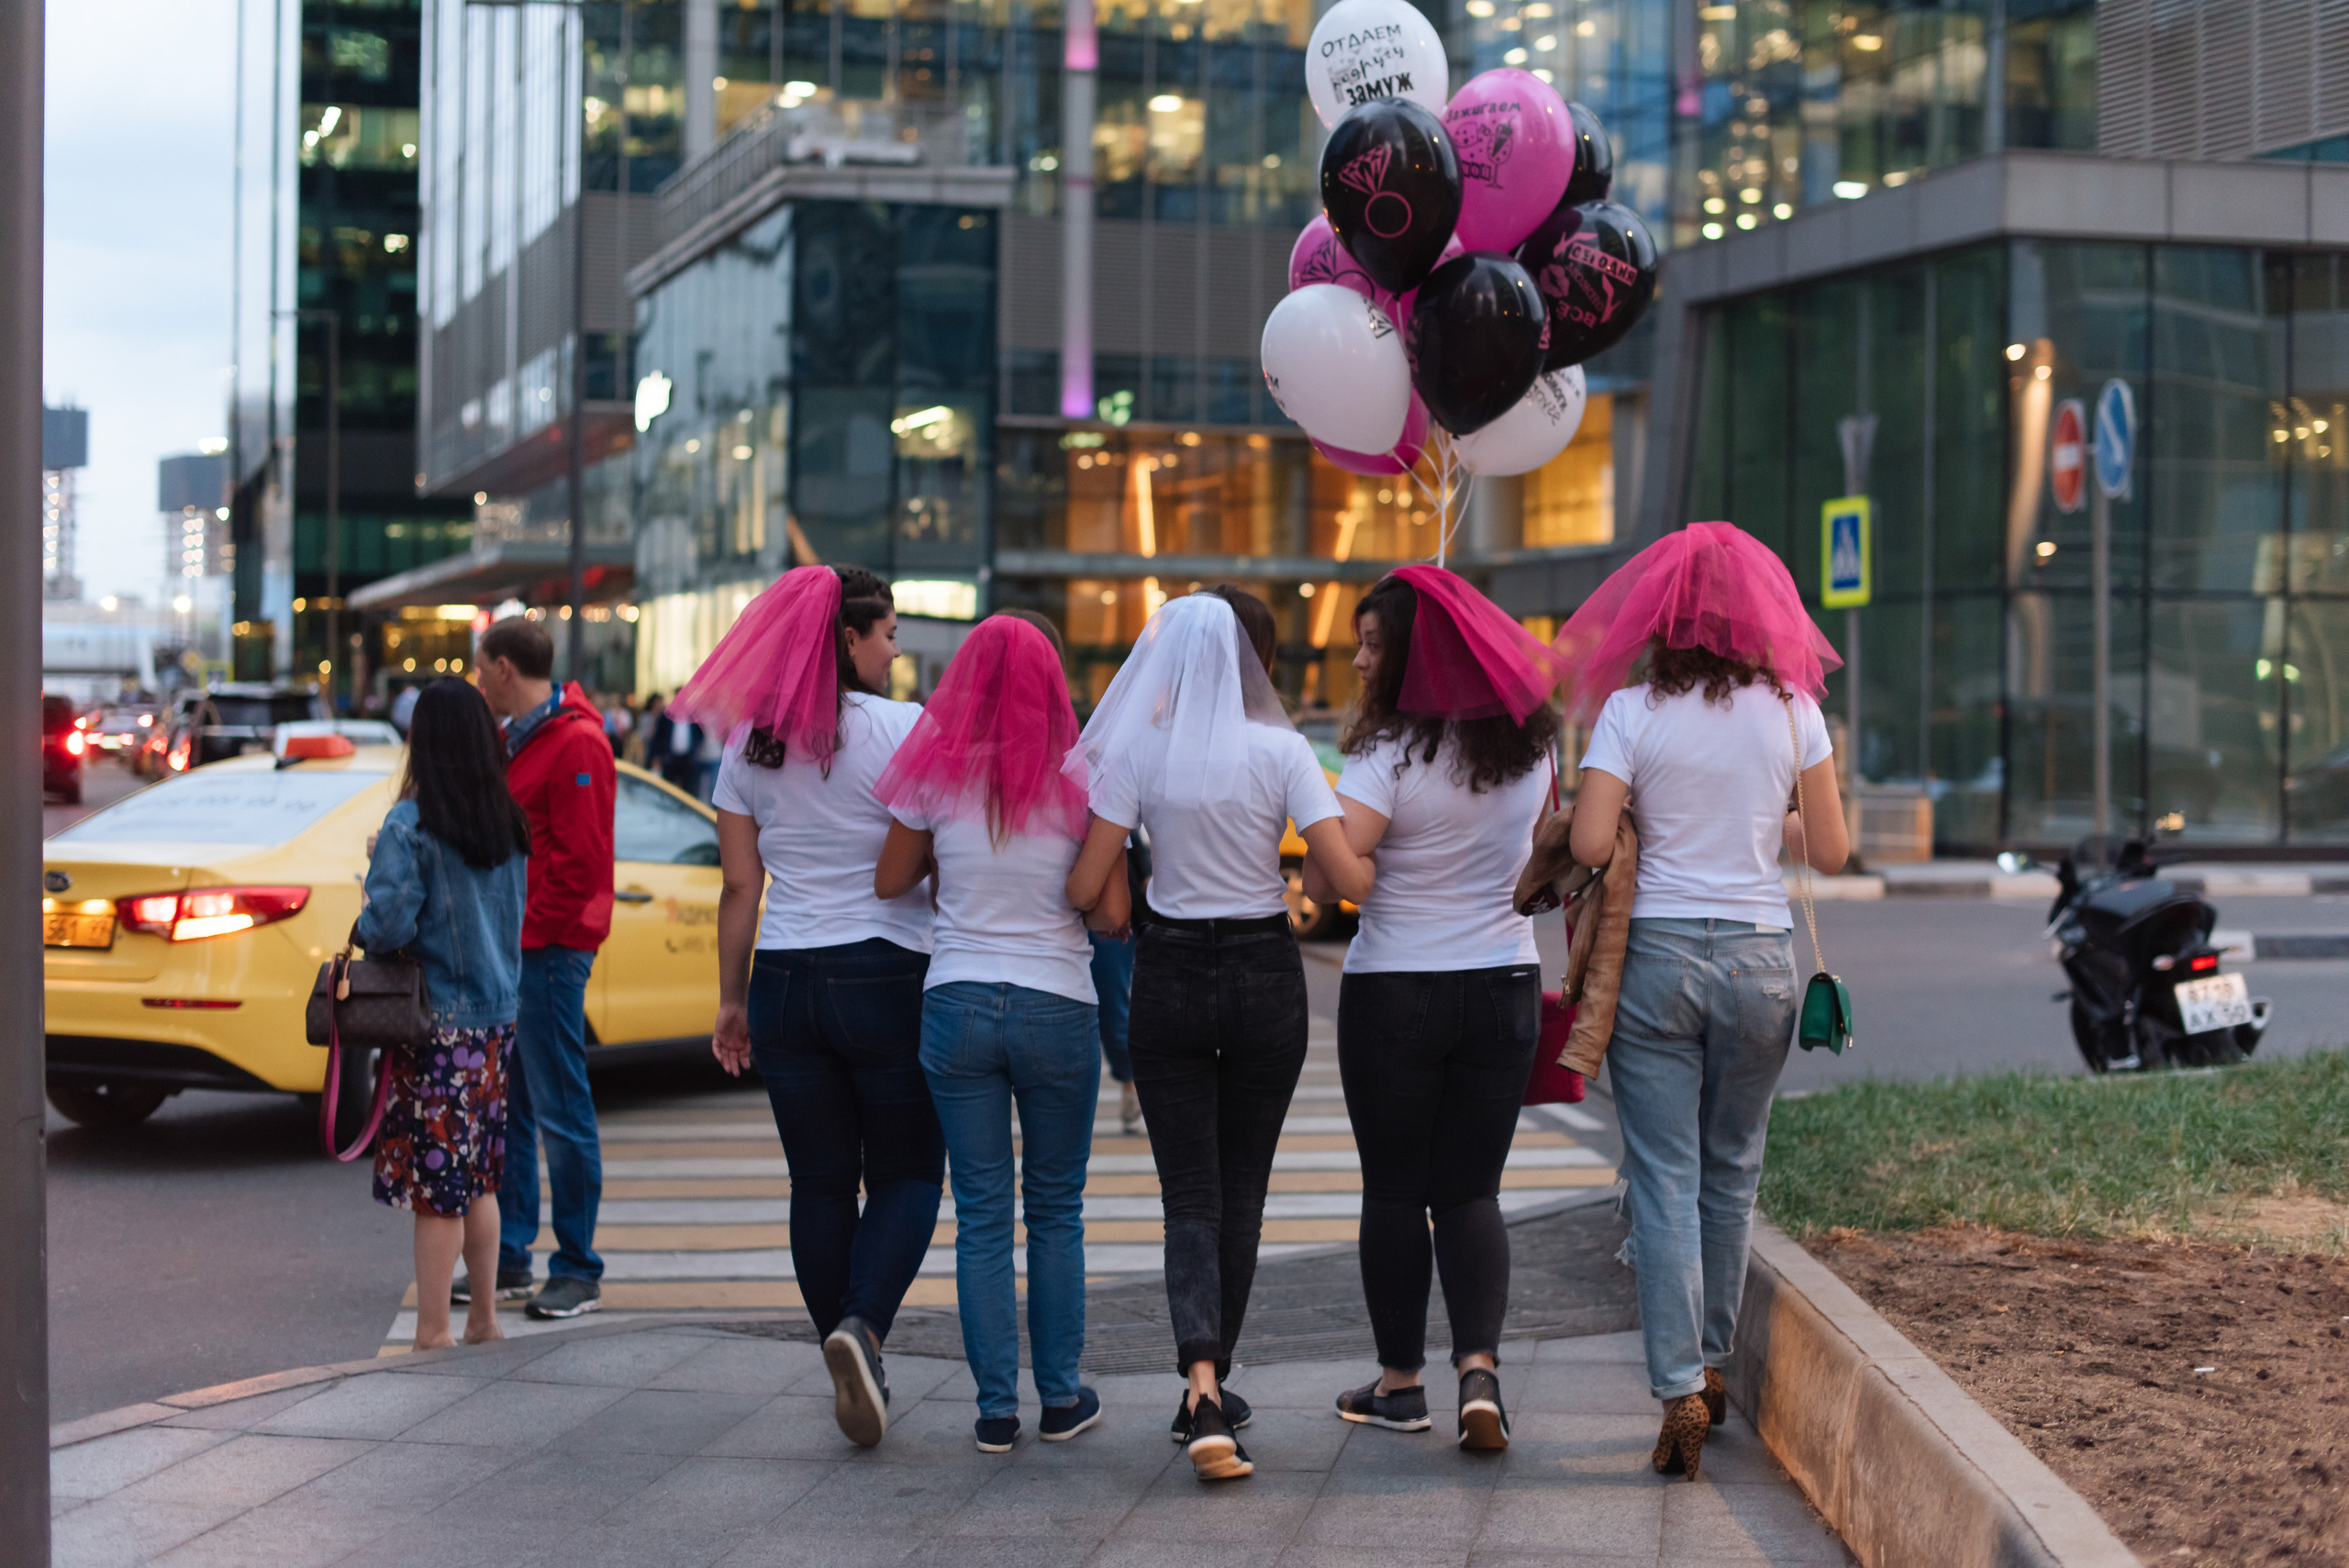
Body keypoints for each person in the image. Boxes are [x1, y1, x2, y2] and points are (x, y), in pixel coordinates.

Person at [1556, 522, 1849, 1480]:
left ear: (1662, 618)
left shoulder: (1631, 711)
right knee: (1731, 1170)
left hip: (1658, 960)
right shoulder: (1795, 711)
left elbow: (1589, 844)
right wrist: (1765, 817)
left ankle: (1679, 1381)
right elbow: (1830, 849)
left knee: (1664, 1178)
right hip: (1761, 962)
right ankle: (1713, 1362)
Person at [1065, 588, 1376, 1482]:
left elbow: (1087, 885)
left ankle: (1200, 1387)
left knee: (1189, 1194)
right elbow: (1348, 876)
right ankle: (1211, 1386)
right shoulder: (1283, 750)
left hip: (1167, 973)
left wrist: (1119, 893)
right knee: (1242, 1189)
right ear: (1258, 660)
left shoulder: (1139, 748)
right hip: (1262, 975)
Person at [1306, 567, 1568, 1451]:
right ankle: (1479, 1372)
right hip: (1503, 985)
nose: (1359, 660)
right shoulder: (1531, 750)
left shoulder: (1387, 755)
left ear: (1415, 655)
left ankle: (1400, 1383)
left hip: (1396, 988)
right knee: (1471, 1189)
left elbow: (1329, 879)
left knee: (1393, 1188)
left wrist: (1320, 826)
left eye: (1373, 645)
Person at [688, 564, 941, 1450]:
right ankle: (862, 1329)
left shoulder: (749, 743)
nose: (895, 650)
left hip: (785, 980)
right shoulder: (905, 728)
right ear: (849, 637)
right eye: (888, 634)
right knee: (909, 1171)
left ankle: (846, 1342)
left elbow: (739, 886)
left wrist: (731, 1000)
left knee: (821, 1182)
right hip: (885, 972)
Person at [874, 615, 1129, 1452]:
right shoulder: (1084, 774)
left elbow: (889, 879)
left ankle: (993, 1410)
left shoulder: (936, 770)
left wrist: (950, 865)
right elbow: (1114, 913)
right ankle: (1060, 1397)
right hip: (1057, 1003)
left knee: (982, 1212)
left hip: (957, 1002)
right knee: (1055, 1207)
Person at [357, 678, 531, 1351]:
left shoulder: (412, 824)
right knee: (479, 1177)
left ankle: (433, 1332)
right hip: (495, 1022)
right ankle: (484, 1320)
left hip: (439, 1030)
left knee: (438, 1189)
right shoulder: (506, 821)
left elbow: (386, 927)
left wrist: (375, 879)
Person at [471, 617, 618, 1321]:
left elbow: (580, 866)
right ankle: (511, 1257)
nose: (477, 681)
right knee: (517, 1109)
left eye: (480, 668)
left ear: (504, 668)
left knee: (561, 1110)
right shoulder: (521, 738)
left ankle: (578, 1267)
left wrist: (523, 932)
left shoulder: (576, 741)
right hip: (524, 945)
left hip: (551, 950)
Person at [999, 607, 1143, 1137]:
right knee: (1056, 1187)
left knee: (979, 1181)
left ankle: (1128, 1077)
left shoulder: (948, 766)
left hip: (966, 982)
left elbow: (908, 884)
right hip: (1059, 976)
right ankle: (1129, 1078)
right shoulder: (1080, 761)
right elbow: (1108, 908)